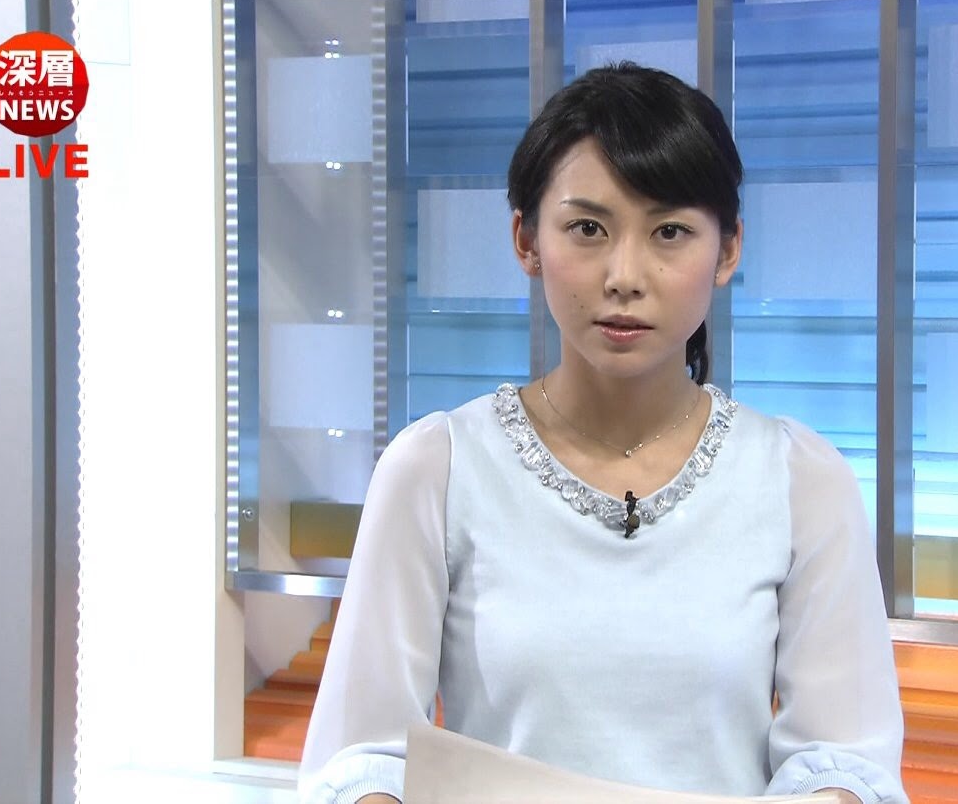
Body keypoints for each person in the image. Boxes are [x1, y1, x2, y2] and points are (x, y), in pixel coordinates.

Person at [298, 62, 909, 804]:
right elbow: (363, 753)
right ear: (526, 240)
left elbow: (845, 757)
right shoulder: (437, 467)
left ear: (728, 250)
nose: (625, 275)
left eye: (670, 232)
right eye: (588, 228)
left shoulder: (801, 479)